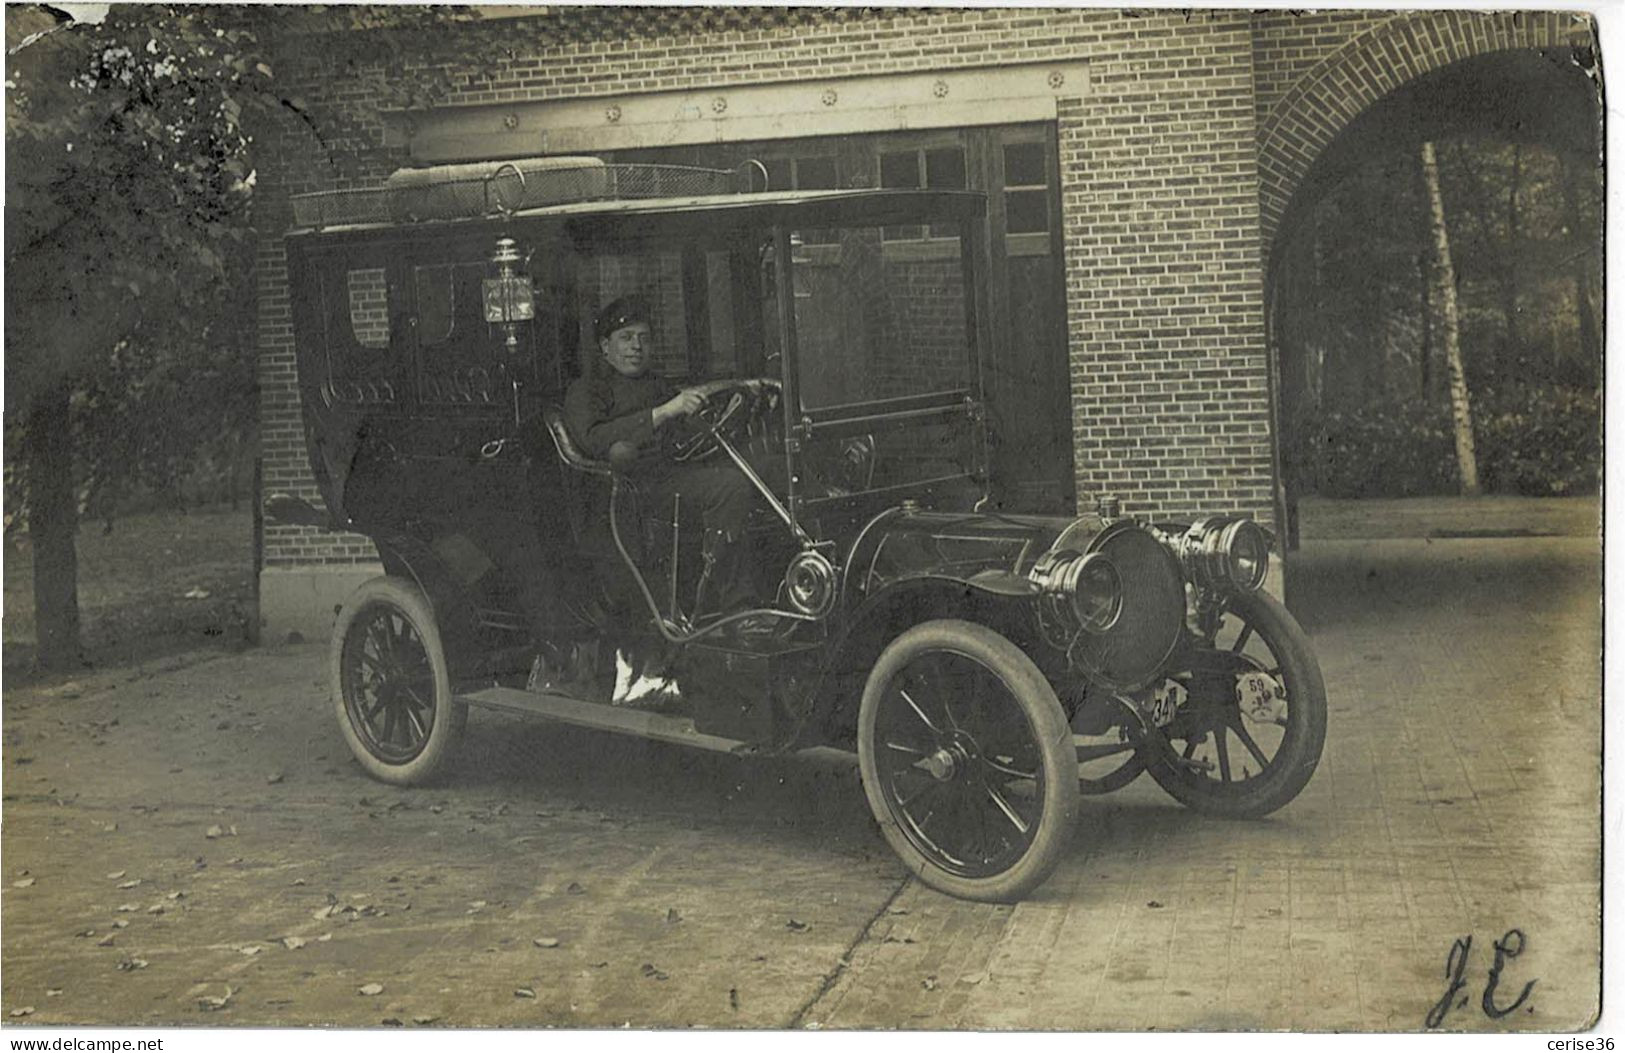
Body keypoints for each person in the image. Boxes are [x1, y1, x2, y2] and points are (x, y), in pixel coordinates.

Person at [562, 295, 763, 684]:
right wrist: (664, 412)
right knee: (729, 486)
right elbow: (590, 439)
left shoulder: (657, 385)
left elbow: (688, 430)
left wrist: (735, 400)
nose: (637, 346)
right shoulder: (587, 390)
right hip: (627, 493)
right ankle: (737, 607)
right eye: (626, 337)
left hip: (671, 479)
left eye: (643, 338)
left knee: (759, 469)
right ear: (605, 347)